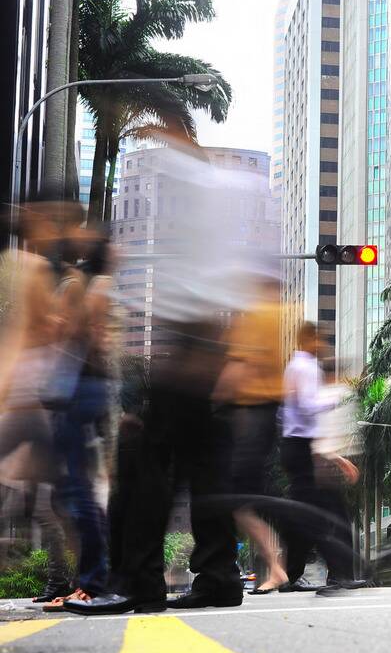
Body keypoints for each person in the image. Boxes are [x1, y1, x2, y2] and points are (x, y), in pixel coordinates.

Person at [66, 122, 255, 615]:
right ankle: (217, 576)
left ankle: (138, 582)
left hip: (191, 335)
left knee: (147, 462)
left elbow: (194, 273)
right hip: (206, 335)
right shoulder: (232, 188)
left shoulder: (194, 182)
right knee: (205, 468)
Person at [0, 196, 72, 603]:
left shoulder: (35, 268)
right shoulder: (25, 265)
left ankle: (68, 580)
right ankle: (63, 580)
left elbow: (42, 331)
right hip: (29, 401)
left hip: (34, 402)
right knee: (51, 504)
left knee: (52, 503)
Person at [43, 227, 115, 610]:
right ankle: (90, 579)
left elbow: (69, 332)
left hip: (79, 388)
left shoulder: (81, 286)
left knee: (80, 491)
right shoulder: (96, 285)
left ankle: (91, 581)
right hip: (89, 388)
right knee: (81, 489)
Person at [278, 322, 365, 594]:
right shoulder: (304, 367)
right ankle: (339, 574)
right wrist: (336, 399)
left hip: (299, 446)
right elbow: (306, 406)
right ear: (308, 339)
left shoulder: (300, 366)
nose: (324, 345)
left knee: (314, 513)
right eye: (320, 339)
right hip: (302, 446)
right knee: (321, 513)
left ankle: (298, 574)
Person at [216, 275, 288, 595]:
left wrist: (215, 399)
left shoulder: (256, 316)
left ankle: (275, 567)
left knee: (238, 503)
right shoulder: (279, 315)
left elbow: (238, 368)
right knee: (241, 503)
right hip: (264, 415)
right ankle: (274, 567)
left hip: (249, 416)